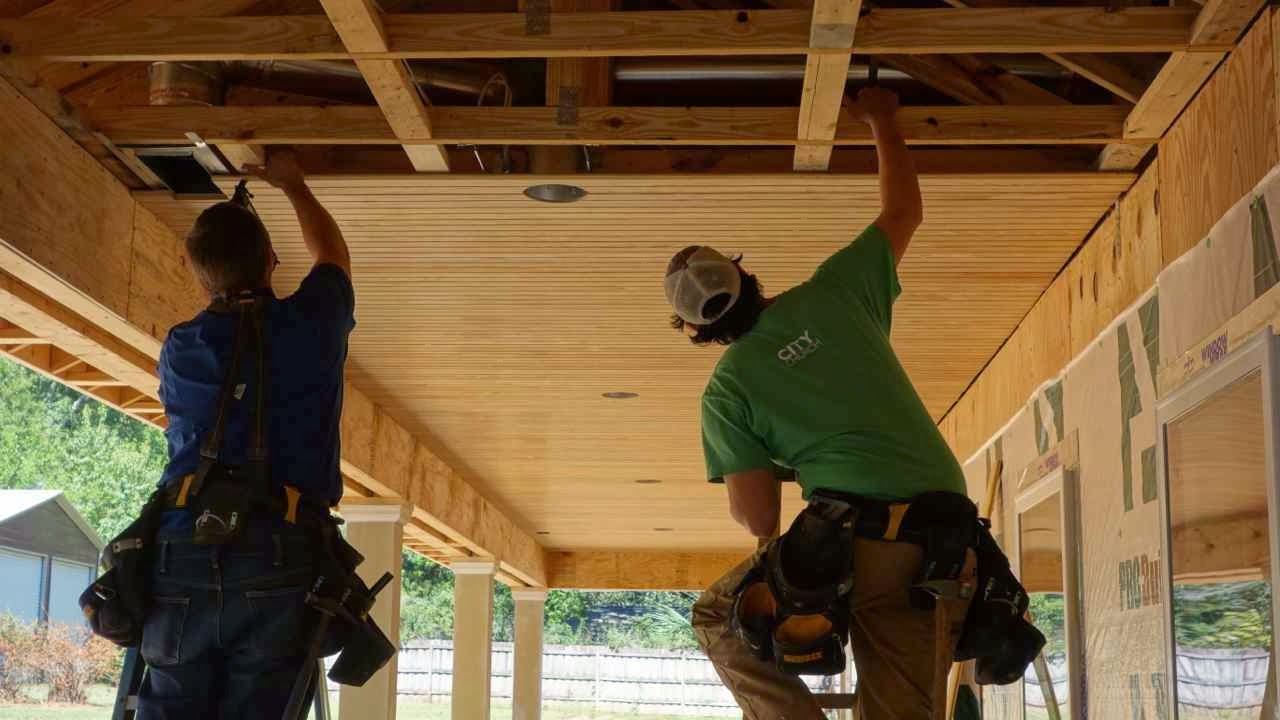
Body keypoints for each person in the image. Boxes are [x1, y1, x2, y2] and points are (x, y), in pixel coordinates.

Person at [664, 87, 975, 719]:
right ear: (745, 274)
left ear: (699, 328)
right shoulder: (836, 293)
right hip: (943, 535)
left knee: (718, 617)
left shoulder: (729, 386)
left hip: (854, 541)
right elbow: (904, 210)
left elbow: (760, 520)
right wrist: (883, 118)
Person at [137, 149, 354, 719]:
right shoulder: (315, 324)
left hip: (184, 544)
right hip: (280, 549)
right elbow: (332, 256)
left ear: (191, 267)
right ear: (273, 258)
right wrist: (294, 184)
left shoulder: (183, 347)